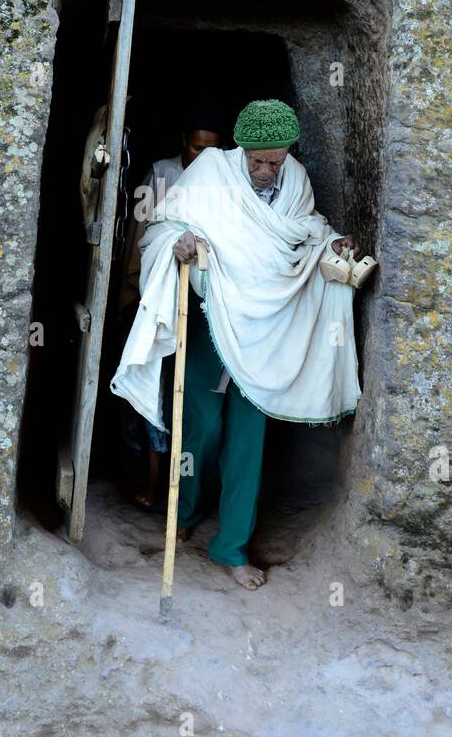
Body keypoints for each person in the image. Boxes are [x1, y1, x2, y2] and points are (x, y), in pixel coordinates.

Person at [111, 98, 363, 591]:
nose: (268, 170)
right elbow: (159, 231)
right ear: (241, 148)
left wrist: (333, 246)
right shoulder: (210, 173)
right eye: (258, 161)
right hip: (211, 318)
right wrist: (179, 242)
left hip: (268, 329)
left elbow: (308, 233)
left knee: (250, 435)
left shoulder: (296, 180)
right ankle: (182, 513)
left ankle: (232, 546)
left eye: (277, 160)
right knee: (199, 427)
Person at [118, 108, 224, 509]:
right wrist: (133, 293)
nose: (203, 157)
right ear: (184, 142)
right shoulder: (162, 173)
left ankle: (185, 492)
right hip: (157, 295)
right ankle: (147, 479)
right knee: (152, 389)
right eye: (197, 147)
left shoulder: (223, 179)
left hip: (201, 302)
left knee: (190, 398)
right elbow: (139, 234)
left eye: (212, 150)